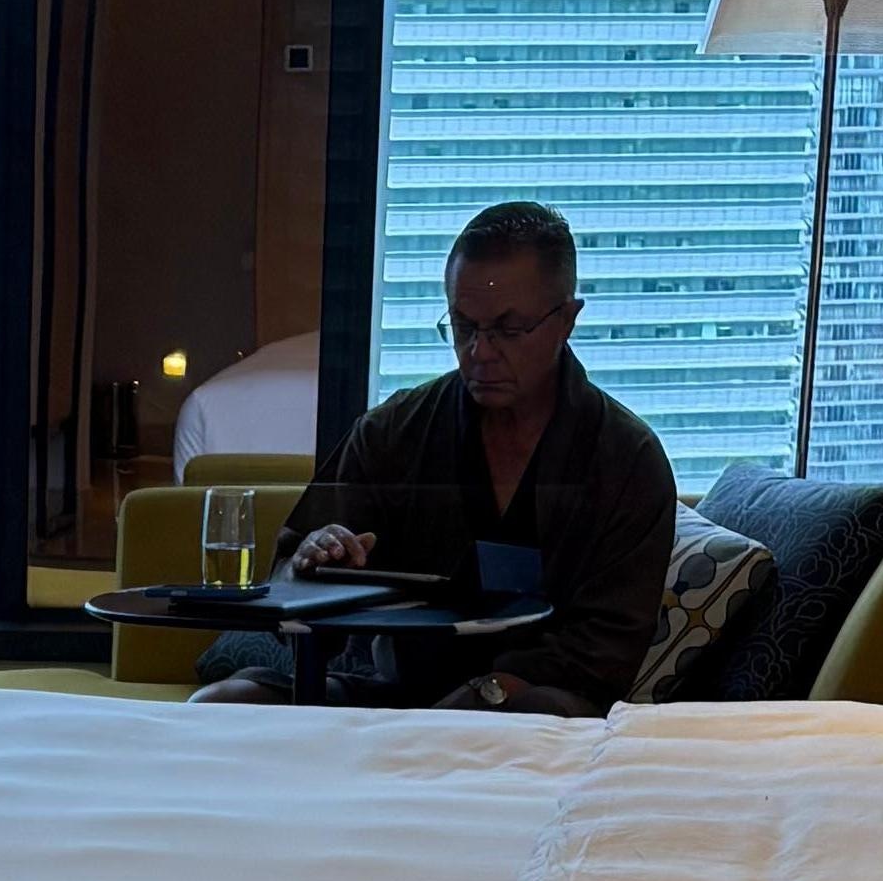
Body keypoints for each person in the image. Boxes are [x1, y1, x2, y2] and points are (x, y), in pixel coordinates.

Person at [192, 201, 677, 715]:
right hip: (392, 695)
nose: (480, 352)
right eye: (464, 327)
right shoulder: (395, 431)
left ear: (567, 320)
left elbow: (605, 649)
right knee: (223, 702)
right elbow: (291, 600)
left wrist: (482, 695)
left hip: (531, 702)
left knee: (535, 709)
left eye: (509, 330)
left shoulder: (626, 458)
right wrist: (312, 564)